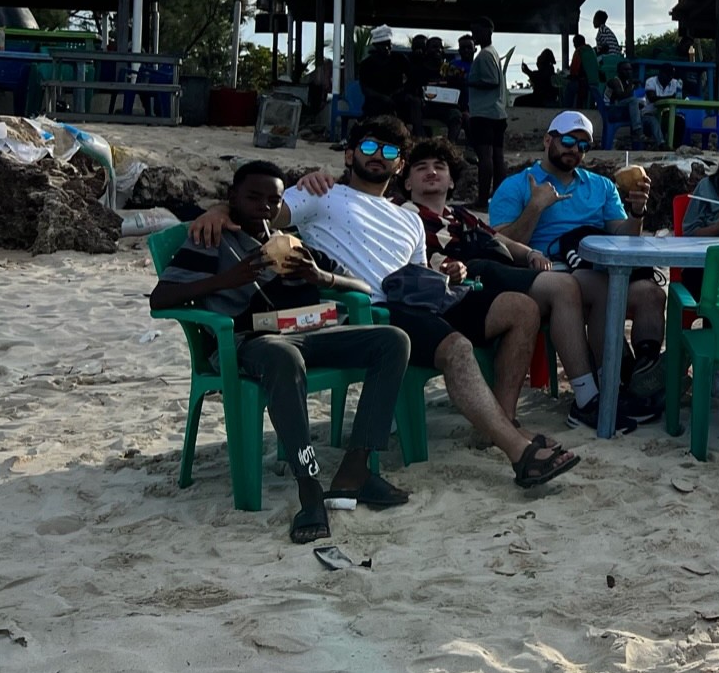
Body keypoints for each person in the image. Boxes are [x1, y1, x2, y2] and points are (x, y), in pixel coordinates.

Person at [187, 119, 581, 491]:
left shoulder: (407, 219)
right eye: (369, 146)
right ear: (349, 155)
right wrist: (219, 211)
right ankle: (519, 454)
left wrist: (446, 270)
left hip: (424, 296)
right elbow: (262, 213)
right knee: (457, 348)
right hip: (376, 308)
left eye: (389, 149)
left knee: (521, 308)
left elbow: (417, 271)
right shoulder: (321, 194)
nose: (378, 154)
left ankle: (501, 422)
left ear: (400, 162)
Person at [150, 160, 412, 543]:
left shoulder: (292, 244)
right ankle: (309, 488)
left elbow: (359, 285)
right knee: (283, 357)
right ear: (232, 198)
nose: (264, 206)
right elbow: (161, 298)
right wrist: (228, 280)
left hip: (308, 332)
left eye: (273, 200)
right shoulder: (213, 240)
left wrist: (320, 277)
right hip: (249, 342)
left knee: (393, 340)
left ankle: (356, 469)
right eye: (253, 197)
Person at [395, 138, 627, 433]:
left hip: (489, 281)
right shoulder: (401, 214)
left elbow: (498, 239)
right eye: (421, 168)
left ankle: (610, 385)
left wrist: (529, 253)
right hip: (461, 287)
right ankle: (586, 399)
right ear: (407, 182)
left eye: (439, 167)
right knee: (564, 286)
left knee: (597, 284)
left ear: (452, 182)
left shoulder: (461, 216)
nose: (431, 172)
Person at [487, 111, 667, 399]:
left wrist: (637, 211)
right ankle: (616, 377)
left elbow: (625, 238)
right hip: (547, 273)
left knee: (651, 293)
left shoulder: (602, 186)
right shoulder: (517, 185)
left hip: (594, 267)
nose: (575, 150)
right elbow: (500, 245)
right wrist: (536, 207)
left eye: (583, 145)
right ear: (548, 140)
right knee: (599, 284)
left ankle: (643, 373)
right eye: (569, 140)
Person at [465, 20, 508, 196]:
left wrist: (469, 81)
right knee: (497, 157)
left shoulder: (484, 55)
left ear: (487, 32)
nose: (473, 36)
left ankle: (482, 199)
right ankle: (497, 198)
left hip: (484, 113)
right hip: (497, 113)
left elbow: (492, 81)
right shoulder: (493, 53)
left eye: (476, 32)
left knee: (485, 157)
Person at [357, 26, 417, 130]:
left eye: (389, 44)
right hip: (376, 100)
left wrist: (401, 91)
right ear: (376, 46)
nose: (388, 47)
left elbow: (412, 78)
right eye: (384, 45)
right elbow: (365, 89)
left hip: (397, 99)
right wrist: (383, 98)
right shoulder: (366, 64)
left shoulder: (399, 59)